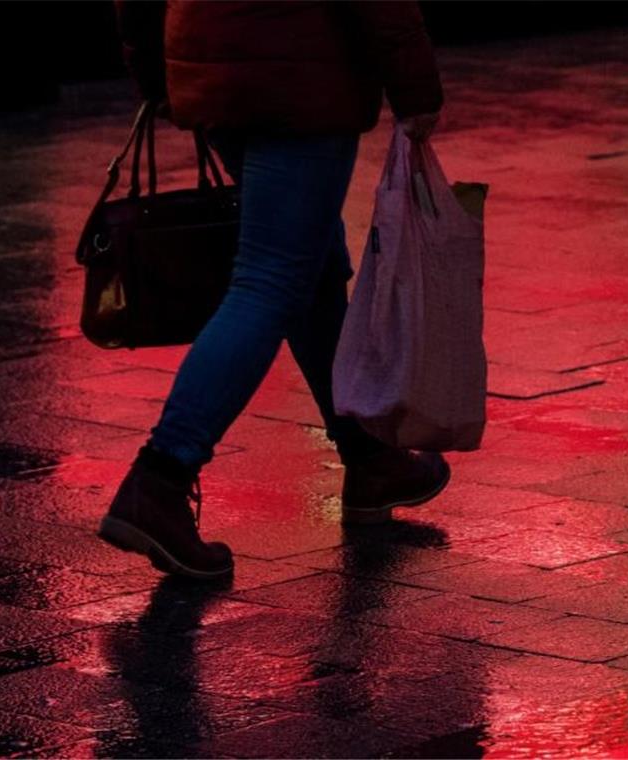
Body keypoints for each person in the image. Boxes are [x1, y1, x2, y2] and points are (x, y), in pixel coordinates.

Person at [99, 0, 450, 579]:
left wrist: (157, 73)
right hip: (300, 74)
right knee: (269, 280)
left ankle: (370, 458)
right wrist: (415, 88)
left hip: (215, 65)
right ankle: (161, 478)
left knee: (308, 262)